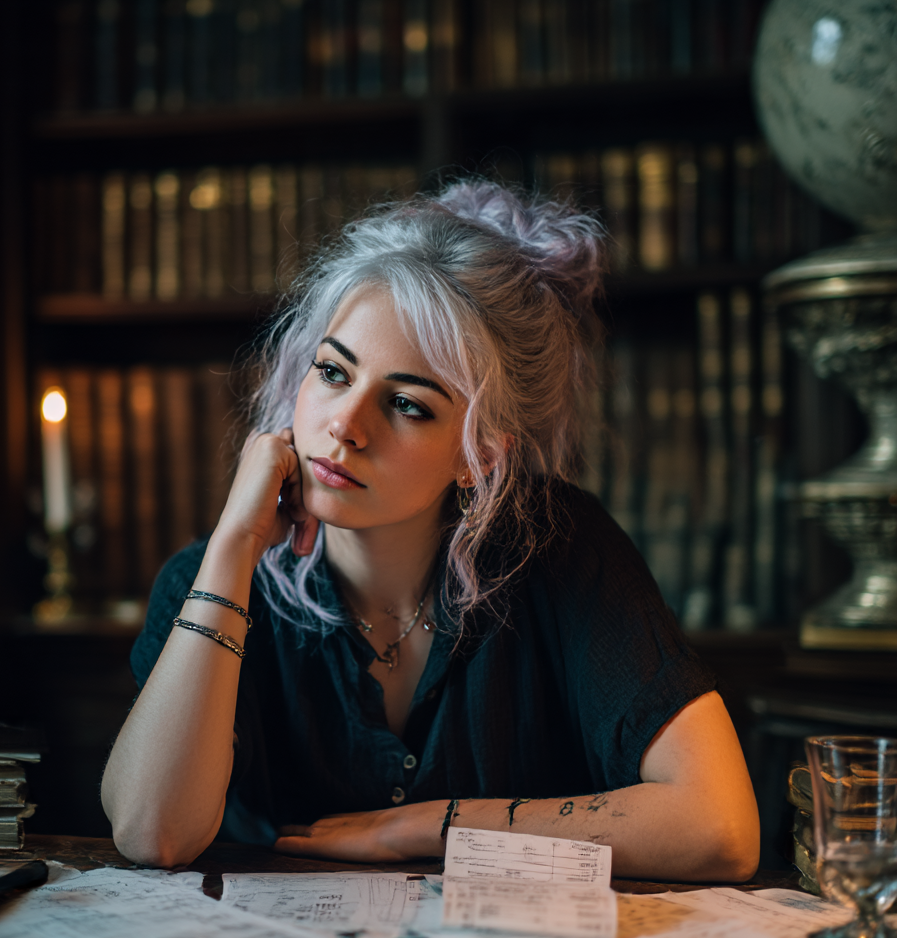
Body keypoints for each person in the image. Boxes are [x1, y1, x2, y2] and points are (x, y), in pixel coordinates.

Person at [101, 180, 759, 881]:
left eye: (408, 405)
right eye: (331, 372)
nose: (344, 427)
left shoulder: (562, 549)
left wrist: (424, 827)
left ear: (478, 455)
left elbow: (718, 826)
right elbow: (152, 834)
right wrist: (233, 548)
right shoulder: (207, 578)